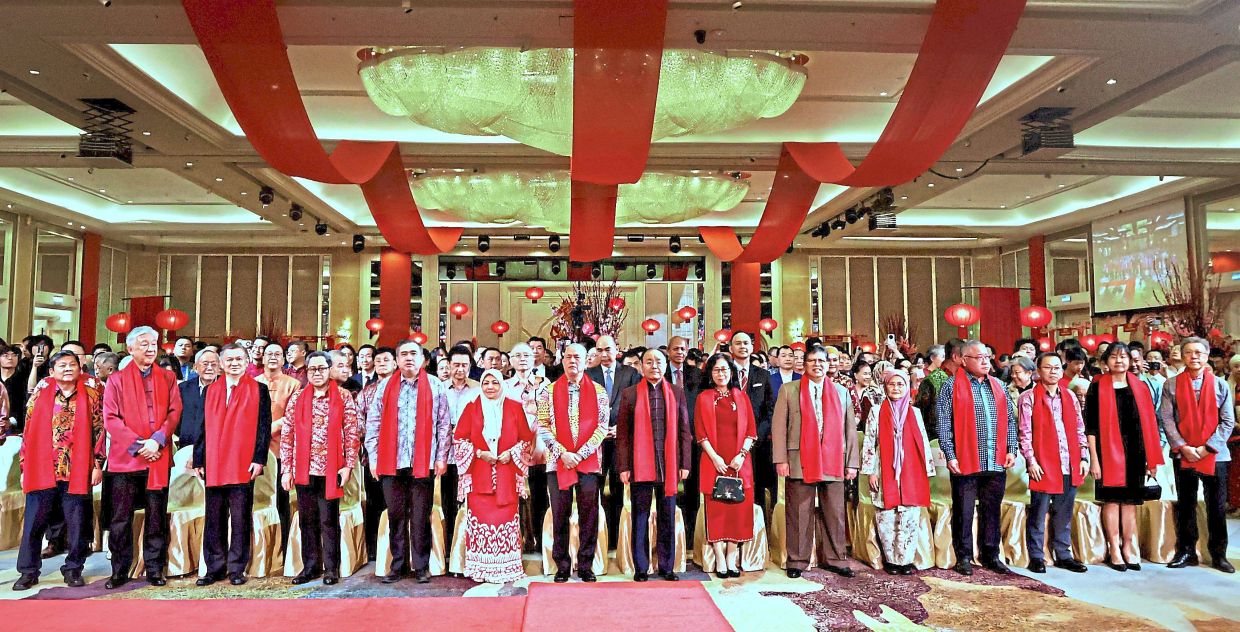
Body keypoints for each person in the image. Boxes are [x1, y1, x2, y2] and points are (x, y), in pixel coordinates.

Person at [11, 352, 104, 591]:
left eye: (72, 365)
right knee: (34, 522)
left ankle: (73, 568)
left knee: (76, 524)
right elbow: (28, 432)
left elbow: (99, 431)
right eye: (61, 365)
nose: (67, 369)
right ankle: (28, 571)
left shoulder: (92, 394)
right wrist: (24, 466)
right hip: (42, 467)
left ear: (80, 368)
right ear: (51, 371)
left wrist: (97, 464)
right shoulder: (41, 395)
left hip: (77, 468)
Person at [103, 326, 183, 589]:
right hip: (126, 459)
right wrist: (140, 445)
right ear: (130, 349)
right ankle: (119, 569)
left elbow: (174, 411)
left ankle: (154, 568)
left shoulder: (168, 378)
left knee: (156, 516)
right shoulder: (116, 380)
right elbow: (111, 420)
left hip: (158, 456)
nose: (151, 349)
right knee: (120, 518)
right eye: (144, 344)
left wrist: (158, 440)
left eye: (154, 344)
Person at [365, 339, 451, 584]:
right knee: (395, 515)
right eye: (403, 354)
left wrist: (441, 457)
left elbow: (444, 425)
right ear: (397, 359)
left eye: (414, 353)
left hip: (423, 462)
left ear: (423, 358)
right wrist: (373, 458)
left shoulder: (434, 385)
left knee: (421, 515)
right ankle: (398, 564)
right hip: (390, 462)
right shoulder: (385, 387)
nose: (409, 358)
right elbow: (373, 424)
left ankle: (421, 566)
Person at [773, 345, 858, 579]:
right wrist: (781, 458)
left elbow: (850, 430)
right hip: (799, 458)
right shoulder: (789, 390)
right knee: (799, 512)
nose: (817, 365)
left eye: (822, 361)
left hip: (833, 460)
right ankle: (798, 560)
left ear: (829, 364)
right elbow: (779, 427)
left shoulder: (841, 392)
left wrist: (852, 462)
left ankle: (836, 558)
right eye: (812, 361)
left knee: (835, 512)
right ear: (805, 364)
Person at [935, 339, 1018, 576]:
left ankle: (991, 554)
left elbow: (1010, 422)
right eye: (979, 357)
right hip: (965, 459)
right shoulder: (951, 387)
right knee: (964, 510)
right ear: (963, 360)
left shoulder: (999, 386)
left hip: (995, 458)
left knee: (992, 509)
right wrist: (950, 455)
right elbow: (943, 424)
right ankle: (963, 556)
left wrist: (1012, 448)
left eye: (987, 356)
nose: (985, 361)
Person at [192, 343, 272, 586]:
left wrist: (259, 459)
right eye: (229, 359)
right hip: (214, 463)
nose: (234, 363)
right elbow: (202, 427)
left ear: (247, 361)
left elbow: (263, 428)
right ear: (221, 363)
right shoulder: (210, 390)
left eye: (239, 359)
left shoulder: (259, 389)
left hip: (242, 462)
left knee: (239, 518)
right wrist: (199, 458)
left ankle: (237, 568)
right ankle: (214, 567)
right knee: (213, 517)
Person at [281, 351, 361, 585]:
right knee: (307, 519)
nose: (317, 373)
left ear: (329, 370)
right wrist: (287, 469)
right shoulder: (297, 398)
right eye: (312, 369)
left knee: (328, 519)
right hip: (304, 469)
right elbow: (288, 434)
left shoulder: (343, 396)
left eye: (321, 369)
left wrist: (348, 466)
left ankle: (331, 568)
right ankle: (310, 566)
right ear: (306, 372)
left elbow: (352, 433)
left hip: (331, 468)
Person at [1086, 342, 1164, 572]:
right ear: (1105, 362)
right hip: (1106, 452)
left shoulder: (1140, 387)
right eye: (1114, 357)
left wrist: (1151, 459)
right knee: (1112, 501)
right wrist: (1094, 459)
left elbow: (1149, 425)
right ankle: (1114, 548)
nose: (1119, 361)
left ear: (1131, 361)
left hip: (1135, 453)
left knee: (1130, 503)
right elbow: (1090, 428)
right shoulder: (1097, 388)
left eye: (1124, 357)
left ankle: (1129, 546)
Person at [1159, 337, 1235, 573]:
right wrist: (1183, 447)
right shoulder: (1170, 385)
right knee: (1186, 504)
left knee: (1216, 506)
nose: (1194, 356)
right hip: (1184, 453)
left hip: (1215, 454)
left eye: (1199, 353)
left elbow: (1228, 420)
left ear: (1206, 356)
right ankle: (1186, 551)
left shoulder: (1220, 385)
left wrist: (1208, 447)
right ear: (1182, 356)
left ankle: (1219, 554)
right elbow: (1167, 419)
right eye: (1189, 352)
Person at [452, 369, 534, 584]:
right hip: (480, 473)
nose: (489, 387)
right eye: (486, 382)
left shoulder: (515, 408)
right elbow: (459, 439)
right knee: (482, 520)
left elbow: (526, 440)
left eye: (494, 383)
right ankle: (481, 568)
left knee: (505, 518)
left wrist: (511, 453)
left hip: (507, 474)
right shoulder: (471, 408)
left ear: (502, 385)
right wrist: (480, 453)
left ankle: (507, 567)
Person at [536, 343, 609, 582]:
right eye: (568, 357)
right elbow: (543, 424)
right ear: (562, 360)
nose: (572, 361)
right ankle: (562, 565)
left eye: (577, 357)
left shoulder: (599, 391)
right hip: (557, 463)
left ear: (586, 360)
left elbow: (601, 427)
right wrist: (562, 452)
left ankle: (586, 564)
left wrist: (582, 453)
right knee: (560, 514)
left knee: (589, 514)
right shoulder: (548, 390)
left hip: (589, 463)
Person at [616, 349, 691, 581]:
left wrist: (684, 463)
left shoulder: (676, 393)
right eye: (648, 362)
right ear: (642, 366)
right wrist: (624, 466)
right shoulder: (630, 394)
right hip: (640, 465)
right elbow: (623, 435)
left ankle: (667, 566)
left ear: (666, 365)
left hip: (668, 465)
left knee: (667, 515)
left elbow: (684, 431)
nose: (654, 366)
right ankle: (641, 566)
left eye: (658, 361)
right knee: (640, 516)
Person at [1018, 353, 1089, 574]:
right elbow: (1025, 433)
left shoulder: (1069, 396)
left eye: (1057, 367)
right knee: (1038, 513)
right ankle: (1037, 556)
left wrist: (1084, 456)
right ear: (1038, 371)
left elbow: (1079, 429)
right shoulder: (1028, 398)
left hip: (1070, 462)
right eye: (1048, 367)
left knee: (1064, 513)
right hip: (1043, 464)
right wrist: (1031, 461)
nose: (1053, 371)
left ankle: (1063, 554)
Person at [860, 368, 933, 575]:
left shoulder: (915, 412)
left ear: (908, 388)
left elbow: (923, 442)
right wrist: (870, 471)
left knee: (909, 514)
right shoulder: (876, 411)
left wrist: (927, 469)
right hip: (884, 468)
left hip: (911, 470)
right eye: (892, 384)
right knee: (886, 514)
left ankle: (906, 560)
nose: (896, 388)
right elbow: (869, 442)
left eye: (900, 384)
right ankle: (892, 559)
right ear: (885, 387)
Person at [695, 353, 757, 579]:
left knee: (738, 511)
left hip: (740, 462)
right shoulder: (704, 398)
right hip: (714, 462)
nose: (721, 374)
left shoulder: (741, 397)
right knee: (717, 511)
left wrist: (741, 454)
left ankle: (732, 556)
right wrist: (715, 458)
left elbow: (751, 431)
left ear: (731, 372)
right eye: (716, 370)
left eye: (724, 370)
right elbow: (700, 434)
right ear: (710, 374)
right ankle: (719, 557)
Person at [585, 335, 641, 549]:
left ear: (616, 349)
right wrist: (598, 430)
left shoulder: (630, 374)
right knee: (594, 489)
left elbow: (637, 405)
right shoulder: (588, 375)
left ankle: (618, 539)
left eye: (608, 350)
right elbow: (584, 409)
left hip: (622, 439)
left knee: (619, 490)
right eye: (599, 351)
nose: (604, 355)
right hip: (595, 442)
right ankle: (598, 537)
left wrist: (621, 428)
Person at [505, 342, 551, 552]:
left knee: (540, 494)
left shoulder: (545, 384)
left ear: (534, 359)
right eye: (518, 355)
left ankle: (541, 540)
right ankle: (518, 540)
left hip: (539, 447)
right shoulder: (504, 386)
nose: (523, 359)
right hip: (513, 449)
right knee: (515, 495)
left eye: (527, 355)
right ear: (511, 361)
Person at [730, 331, 776, 521]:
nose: (742, 346)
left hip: (757, 445)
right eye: (738, 343)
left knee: (755, 488)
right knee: (730, 488)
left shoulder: (763, 375)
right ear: (731, 348)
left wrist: (755, 436)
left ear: (751, 347)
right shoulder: (724, 372)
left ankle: (757, 534)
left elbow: (769, 410)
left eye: (746, 343)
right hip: (729, 443)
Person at [356, 345, 396, 561]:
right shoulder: (367, 392)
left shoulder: (404, 388)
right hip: (373, 455)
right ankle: (374, 548)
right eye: (378, 360)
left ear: (395, 363)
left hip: (400, 456)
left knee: (395, 503)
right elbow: (358, 420)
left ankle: (396, 547)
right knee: (374, 503)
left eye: (385, 360)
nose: (381, 364)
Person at [442, 345, 481, 553]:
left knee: (468, 498)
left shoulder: (478, 388)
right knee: (446, 499)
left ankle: (468, 546)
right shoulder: (438, 388)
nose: (460, 369)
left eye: (464, 365)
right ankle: (448, 546)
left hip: (471, 454)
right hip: (445, 454)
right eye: (456, 364)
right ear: (448, 365)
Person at [177, 349, 220, 449]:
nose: (209, 368)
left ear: (219, 367)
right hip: (188, 446)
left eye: (213, 364)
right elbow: (178, 419)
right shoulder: (183, 388)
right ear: (196, 367)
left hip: (217, 447)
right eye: (205, 364)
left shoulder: (228, 387)